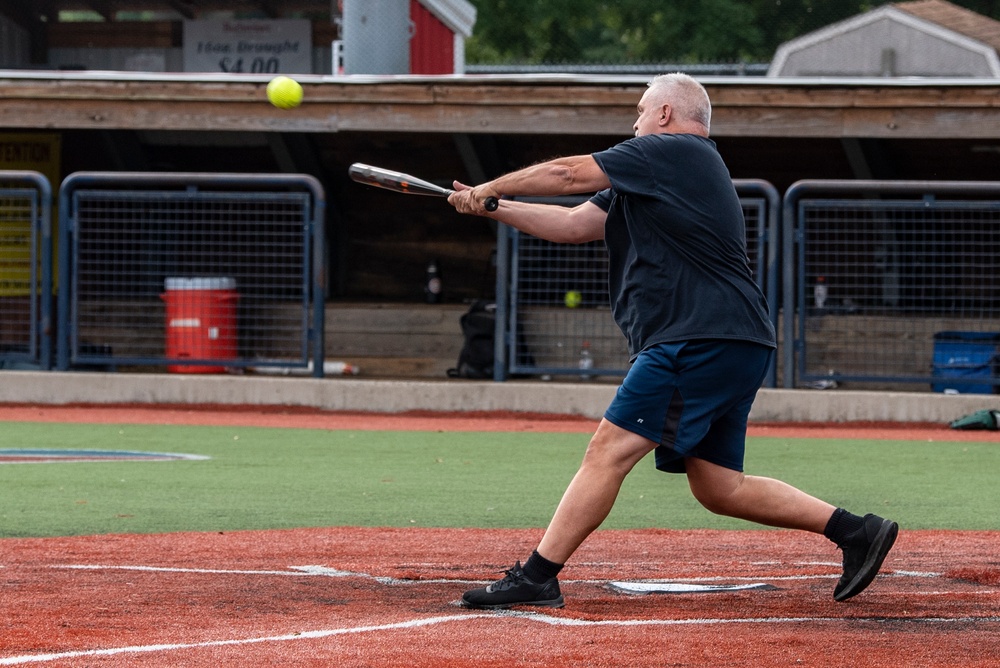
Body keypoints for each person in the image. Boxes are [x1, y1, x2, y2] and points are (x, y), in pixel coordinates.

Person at [447, 73, 898, 610]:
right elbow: (573, 223)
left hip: (697, 337)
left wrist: (494, 184)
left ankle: (538, 575)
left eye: (639, 111)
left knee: (608, 451)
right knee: (719, 487)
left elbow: (566, 173)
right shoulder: (655, 174)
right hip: (732, 339)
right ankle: (856, 531)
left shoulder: (674, 151)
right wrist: (493, 208)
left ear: (664, 115)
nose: (633, 123)